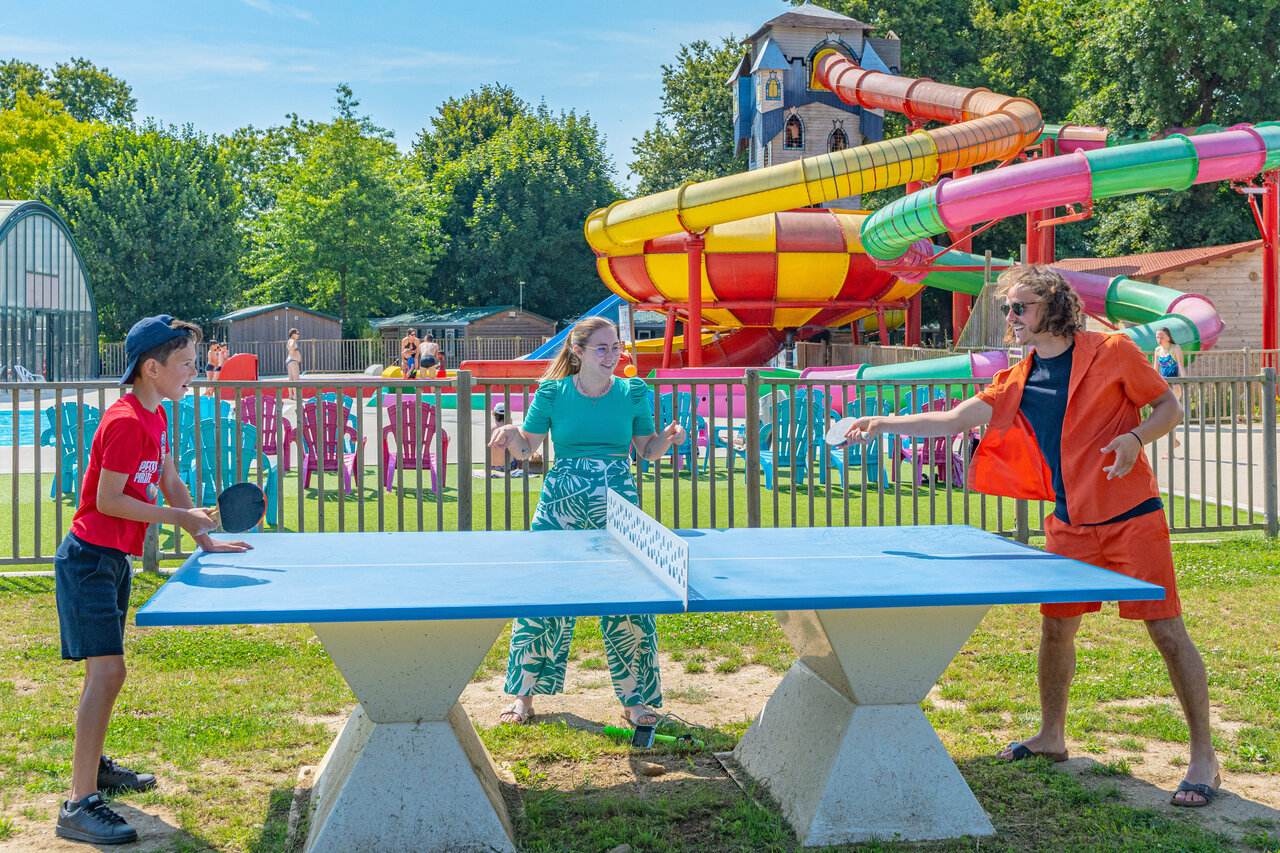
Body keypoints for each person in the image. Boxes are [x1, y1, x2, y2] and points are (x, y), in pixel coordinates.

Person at [844, 266, 1220, 808]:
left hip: (1132, 517)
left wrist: (1136, 438)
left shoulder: (1112, 350)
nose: (1011, 316)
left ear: (1054, 307)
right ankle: (1051, 737)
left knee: (1166, 633)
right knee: (1055, 631)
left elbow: (1169, 407)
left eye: (1020, 307)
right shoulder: (1018, 377)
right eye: (1008, 308)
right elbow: (954, 419)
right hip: (1069, 524)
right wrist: (882, 423)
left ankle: (1204, 756)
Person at [53, 316, 251, 844]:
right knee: (108, 674)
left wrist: (203, 537)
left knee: (102, 674)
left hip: (111, 561)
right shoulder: (124, 422)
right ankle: (78, 805)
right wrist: (179, 517)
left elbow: (167, 477)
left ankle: (92, 770)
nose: (194, 372)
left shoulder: (156, 414)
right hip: (88, 561)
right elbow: (107, 500)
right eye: (186, 363)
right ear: (151, 368)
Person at [488, 316, 686, 727]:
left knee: (629, 597)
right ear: (577, 351)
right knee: (544, 593)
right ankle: (523, 696)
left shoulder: (633, 391)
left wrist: (669, 438)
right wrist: (510, 434)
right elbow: (526, 450)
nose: (612, 355)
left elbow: (647, 451)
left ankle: (636, 701)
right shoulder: (552, 393)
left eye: (616, 347)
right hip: (560, 504)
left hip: (619, 504)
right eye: (602, 348)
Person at [1154, 327, 1185, 455]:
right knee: (1160, 418)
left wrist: (1186, 383)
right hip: (1163, 386)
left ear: (1168, 337)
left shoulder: (1175, 348)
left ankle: (1171, 448)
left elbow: (1181, 367)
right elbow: (1155, 371)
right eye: (1157, 337)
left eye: (1161, 337)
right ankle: (1174, 442)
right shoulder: (1157, 350)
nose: (1159, 339)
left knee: (1169, 416)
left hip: (1175, 385)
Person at [488, 402, 521, 473]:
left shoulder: (489, 427)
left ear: (494, 414)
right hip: (509, 466)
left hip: (490, 465)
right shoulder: (509, 428)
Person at [284, 329, 302, 400]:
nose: (298, 335)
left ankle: (290, 395)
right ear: (293, 334)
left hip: (289, 361)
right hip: (293, 361)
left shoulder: (289, 340)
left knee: (290, 379)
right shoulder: (292, 340)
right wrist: (294, 349)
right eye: (297, 333)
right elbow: (291, 346)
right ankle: (295, 396)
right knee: (296, 379)